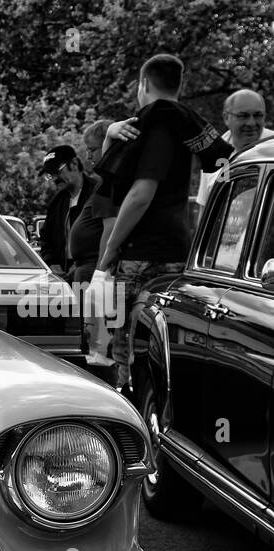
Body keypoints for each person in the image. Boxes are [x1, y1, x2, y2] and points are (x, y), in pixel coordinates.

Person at [91, 54, 231, 391]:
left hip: (142, 254)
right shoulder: (183, 123)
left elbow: (141, 193)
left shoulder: (158, 124)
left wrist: (109, 254)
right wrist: (110, 134)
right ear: (178, 86)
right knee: (163, 348)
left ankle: (134, 429)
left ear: (143, 85)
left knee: (125, 352)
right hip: (177, 249)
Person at [66, 120, 115, 369]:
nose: (88, 155)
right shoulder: (101, 183)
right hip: (87, 270)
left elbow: (110, 228)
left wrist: (100, 273)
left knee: (98, 350)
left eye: (93, 149)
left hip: (97, 270)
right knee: (88, 342)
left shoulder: (110, 183)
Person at [194, 89, 274, 216]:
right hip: (227, 233)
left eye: (258, 115)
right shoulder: (214, 153)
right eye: (243, 116)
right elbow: (205, 208)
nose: (251, 123)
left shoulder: (271, 147)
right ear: (226, 118)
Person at [37, 144, 97, 275]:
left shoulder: (98, 193)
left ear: (74, 163)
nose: (54, 178)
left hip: (94, 272)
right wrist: (51, 262)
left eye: (57, 171)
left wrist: (82, 263)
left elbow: (106, 233)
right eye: (50, 175)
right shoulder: (56, 202)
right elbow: (45, 238)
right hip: (64, 274)